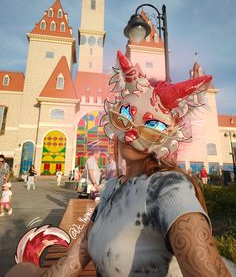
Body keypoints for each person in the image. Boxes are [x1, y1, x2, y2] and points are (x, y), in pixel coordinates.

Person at [6, 51, 234, 276]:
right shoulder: (112, 190)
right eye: (126, 115)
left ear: (167, 137)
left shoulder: (168, 188)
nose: (132, 134)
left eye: (150, 126)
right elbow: (72, 262)